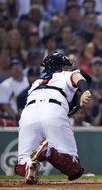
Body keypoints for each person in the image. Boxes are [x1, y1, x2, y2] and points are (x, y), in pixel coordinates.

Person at [14, 51, 92, 184]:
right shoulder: (65, 74)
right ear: (63, 67)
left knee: (21, 165)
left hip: (28, 114)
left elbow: (64, 107)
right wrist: (85, 91)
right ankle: (48, 152)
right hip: (53, 110)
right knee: (74, 168)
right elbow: (77, 77)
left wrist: (76, 104)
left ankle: (29, 166)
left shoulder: (36, 83)